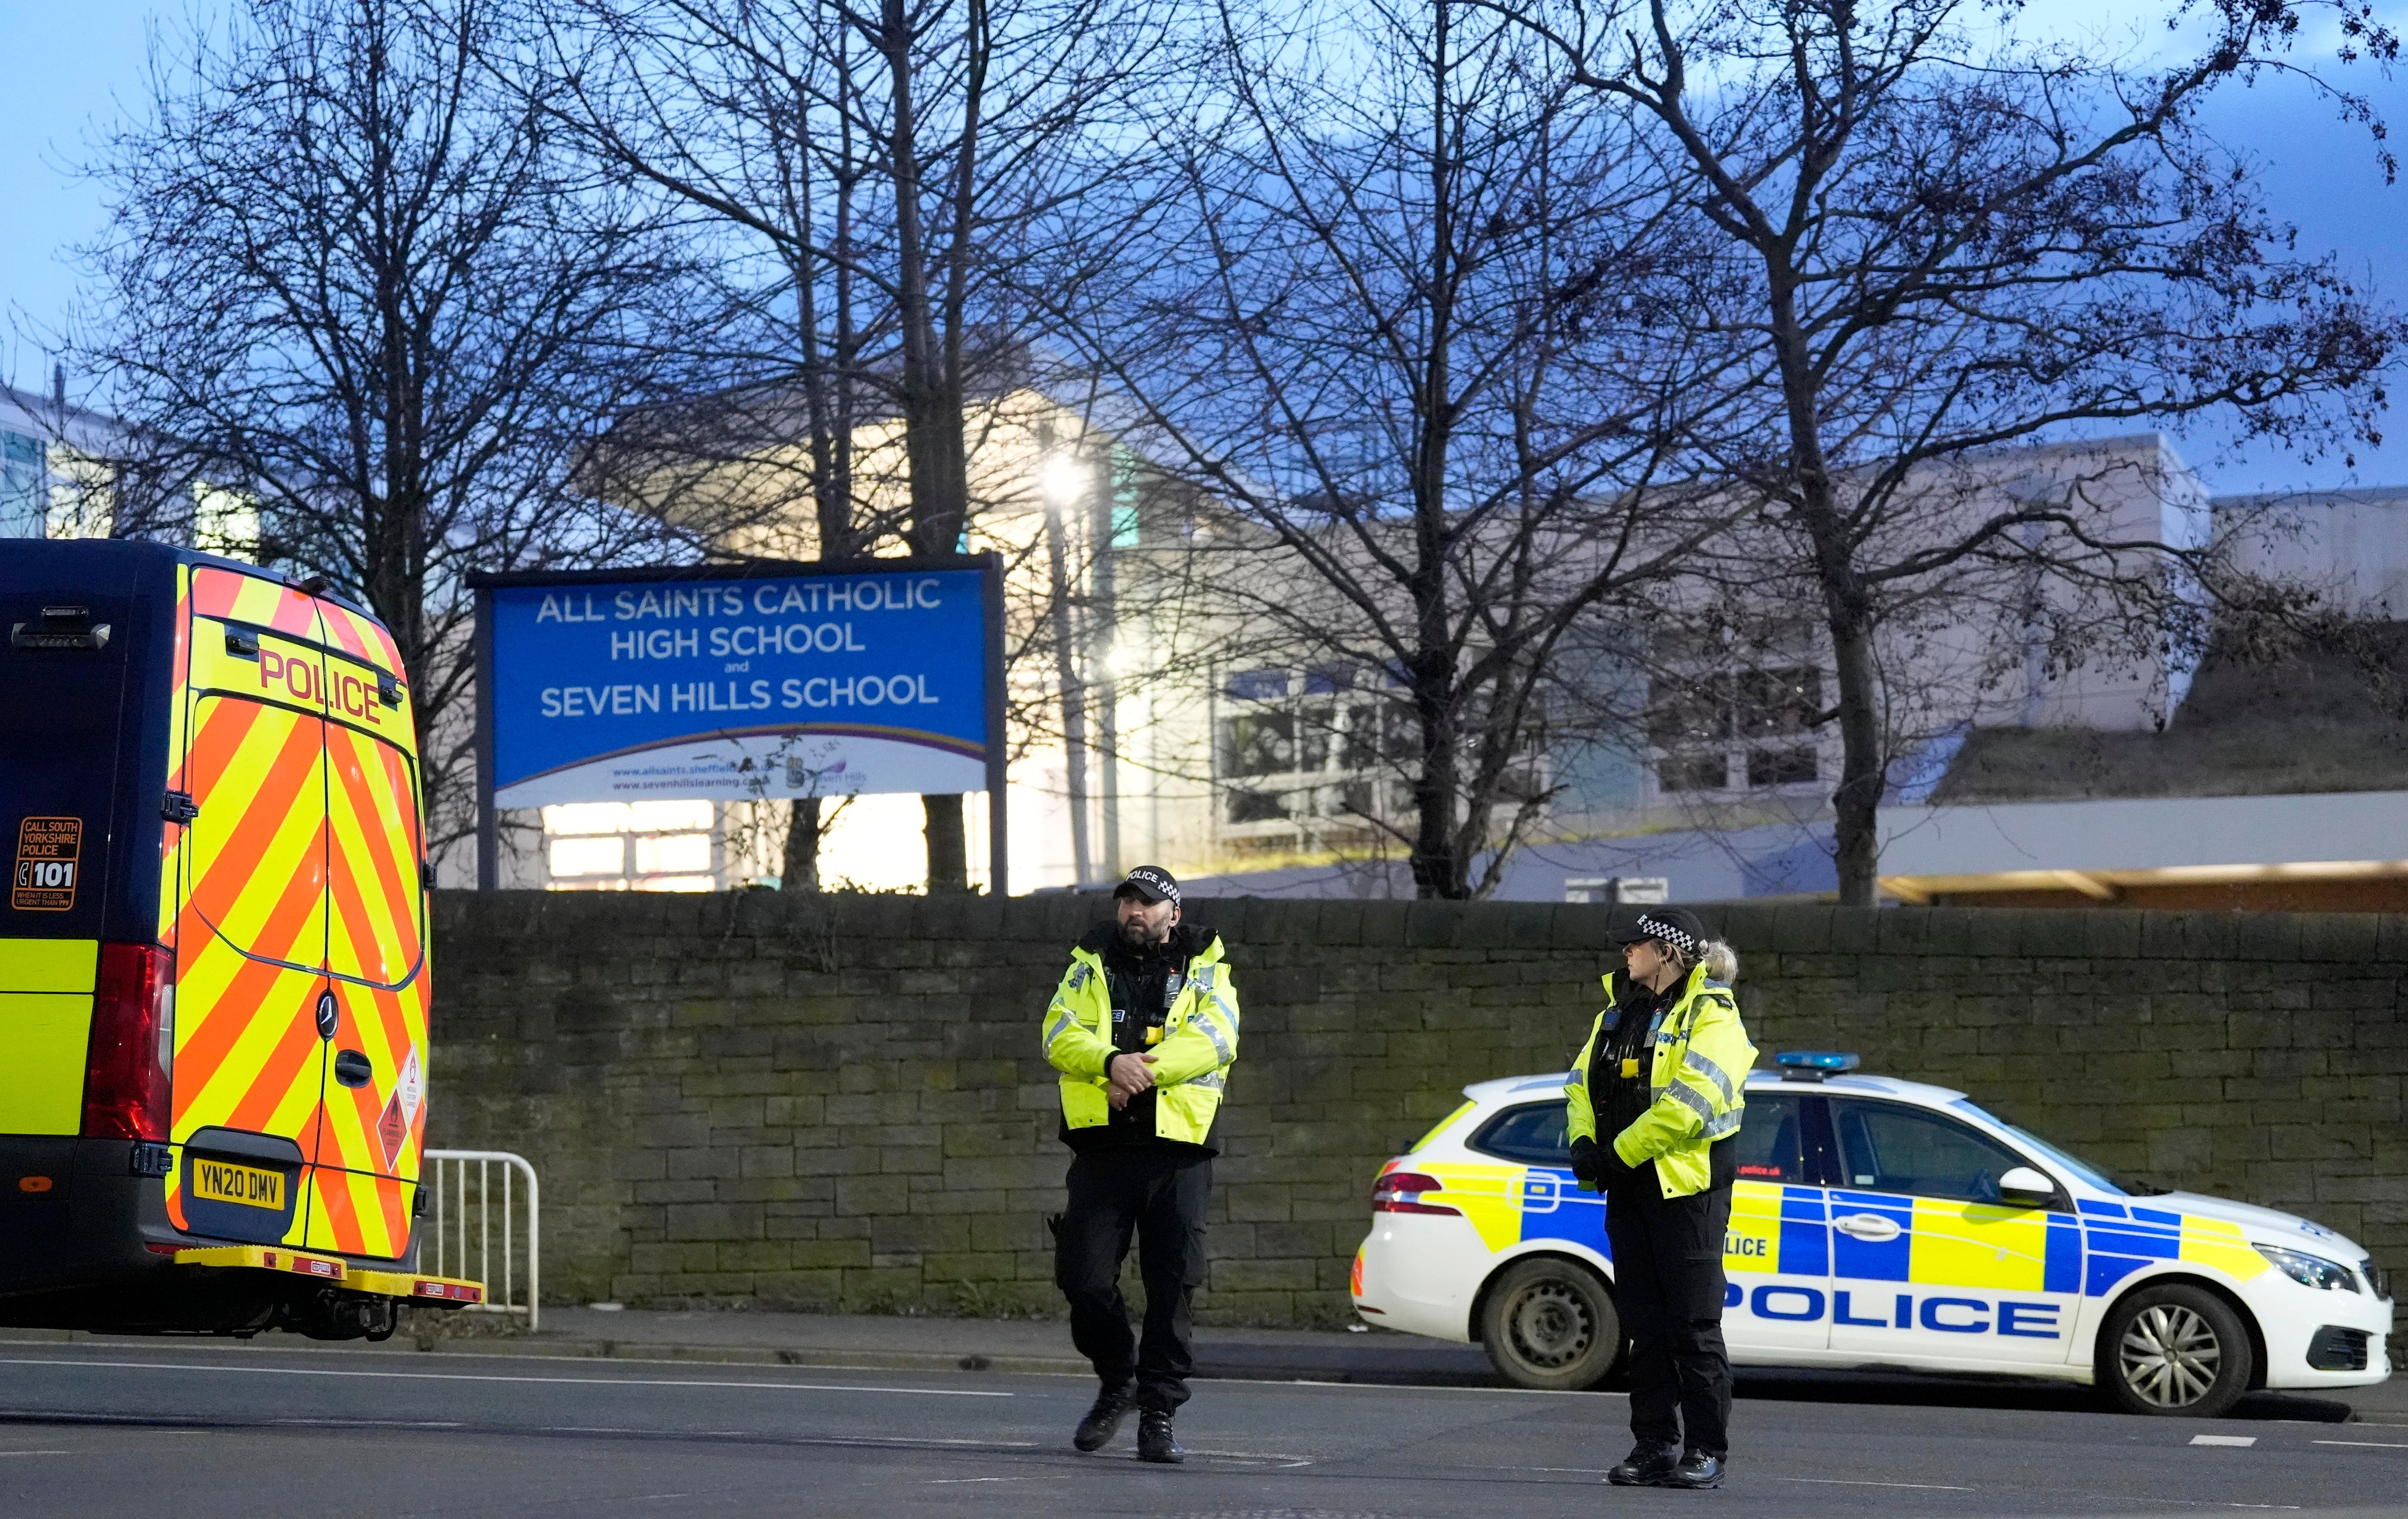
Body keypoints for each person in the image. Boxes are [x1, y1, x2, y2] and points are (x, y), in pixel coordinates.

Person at [1040, 865, 1240, 1464]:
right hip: (1103, 1150)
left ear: (1173, 914)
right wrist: (1107, 1061)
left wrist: (1139, 1070)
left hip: (1177, 1152)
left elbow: (1217, 1036)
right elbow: (1058, 1031)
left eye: (1149, 903)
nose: (1135, 911)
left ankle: (1158, 1413)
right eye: (1127, 900)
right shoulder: (1089, 963)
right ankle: (1117, 1378)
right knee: (1084, 1277)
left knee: (1172, 1286)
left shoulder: (1207, 965)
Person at [1565, 907, 1756, 1491]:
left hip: (1686, 1190)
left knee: (1692, 1326)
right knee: (1643, 1327)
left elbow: (1690, 1103)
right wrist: (1582, 1143)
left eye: (1636, 945)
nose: (1626, 953)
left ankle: (1705, 1448)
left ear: (1668, 953)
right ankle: (1653, 1444)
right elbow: (1578, 1082)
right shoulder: (1617, 1011)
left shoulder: (1714, 1016)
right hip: (1629, 1189)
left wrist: (1616, 1152)